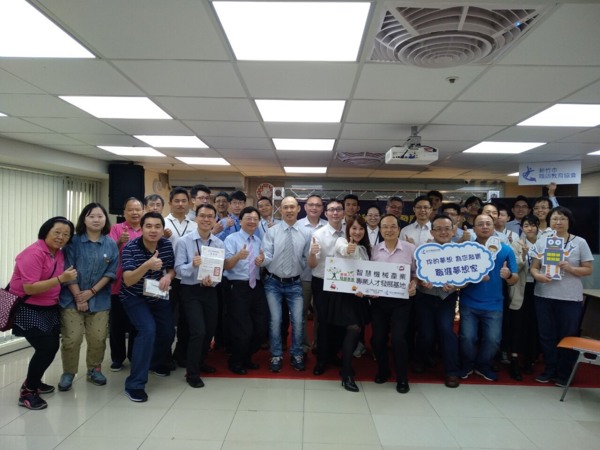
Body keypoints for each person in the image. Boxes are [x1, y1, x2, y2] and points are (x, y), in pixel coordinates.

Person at [9, 217, 77, 410]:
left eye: (66, 234)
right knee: (46, 348)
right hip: (28, 307)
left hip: (49, 307)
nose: (61, 237)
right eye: (57, 232)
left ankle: (34, 381)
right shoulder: (32, 253)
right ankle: (28, 392)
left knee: (50, 347)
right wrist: (61, 279)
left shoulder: (58, 253)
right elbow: (30, 288)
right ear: (46, 232)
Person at [58, 203, 119, 392]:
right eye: (91, 216)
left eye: (100, 216)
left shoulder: (110, 244)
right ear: (84, 219)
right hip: (71, 299)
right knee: (72, 338)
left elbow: (110, 273)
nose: (96, 220)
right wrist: (79, 297)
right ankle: (68, 372)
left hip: (99, 299)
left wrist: (91, 292)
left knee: (98, 338)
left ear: (105, 219)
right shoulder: (73, 242)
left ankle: (94, 370)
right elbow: (68, 269)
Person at [530, 206, 593, 386]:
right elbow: (534, 267)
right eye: (555, 219)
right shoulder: (542, 241)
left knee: (567, 336)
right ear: (549, 222)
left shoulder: (580, 242)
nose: (558, 222)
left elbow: (588, 269)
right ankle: (550, 369)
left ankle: (565, 373)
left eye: (563, 219)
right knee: (546, 335)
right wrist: (538, 276)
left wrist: (570, 268)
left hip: (569, 298)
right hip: (544, 295)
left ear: (569, 222)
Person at [120, 212, 176, 402]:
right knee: (148, 330)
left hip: (157, 294)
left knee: (168, 332)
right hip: (134, 296)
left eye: (157, 226)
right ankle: (134, 384)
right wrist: (147, 265)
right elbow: (128, 280)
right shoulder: (130, 247)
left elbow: (171, 268)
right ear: (142, 229)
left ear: (162, 229)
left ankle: (151, 362)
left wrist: (168, 276)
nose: (153, 230)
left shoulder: (166, 245)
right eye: (149, 226)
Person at [459, 213, 518, 382]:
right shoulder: (467, 249)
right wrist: (472, 277)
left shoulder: (505, 250)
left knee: (493, 340)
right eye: (480, 224)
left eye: (488, 223)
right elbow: (459, 277)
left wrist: (508, 275)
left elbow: (515, 279)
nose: (484, 227)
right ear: (474, 228)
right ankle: (467, 364)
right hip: (468, 302)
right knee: (467, 337)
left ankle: (482, 365)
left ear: (493, 227)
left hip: (494, 304)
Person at [175, 204, 223, 387]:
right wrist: (193, 265)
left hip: (209, 290)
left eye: (210, 216)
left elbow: (218, 272)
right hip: (190, 291)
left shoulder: (218, 243)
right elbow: (179, 270)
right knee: (198, 331)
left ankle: (201, 361)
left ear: (215, 220)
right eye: (202, 215)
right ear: (196, 218)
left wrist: (213, 281)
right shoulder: (184, 241)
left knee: (210, 330)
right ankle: (192, 373)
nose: (206, 219)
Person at [262, 196, 311, 372]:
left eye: (292, 207)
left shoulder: (306, 233)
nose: (289, 210)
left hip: (295, 283)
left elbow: (306, 257)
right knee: (275, 320)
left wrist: (298, 267)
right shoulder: (272, 231)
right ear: (280, 210)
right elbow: (267, 255)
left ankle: (297, 353)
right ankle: (276, 355)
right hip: (273, 283)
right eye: (285, 207)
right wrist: (261, 260)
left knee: (298, 321)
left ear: (298, 209)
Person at [370, 214, 417, 394]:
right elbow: (368, 275)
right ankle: (383, 370)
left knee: (398, 339)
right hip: (379, 301)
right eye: (385, 227)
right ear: (380, 229)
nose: (388, 230)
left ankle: (402, 377)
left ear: (398, 229)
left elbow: (417, 273)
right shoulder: (374, 250)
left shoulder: (410, 249)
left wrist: (414, 284)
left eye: (392, 226)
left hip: (402, 301)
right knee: (378, 338)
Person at [414, 215, 462, 388]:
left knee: (446, 330)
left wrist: (456, 284)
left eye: (447, 228)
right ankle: (420, 359)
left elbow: (467, 278)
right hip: (425, 296)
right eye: (438, 229)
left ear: (453, 231)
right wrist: (421, 281)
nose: (443, 232)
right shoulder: (422, 250)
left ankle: (451, 371)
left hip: (447, 297)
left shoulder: (460, 252)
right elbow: (414, 273)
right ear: (432, 232)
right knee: (426, 332)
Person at [223, 206, 269, 375]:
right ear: (240, 221)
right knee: (242, 328)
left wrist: (262, 261)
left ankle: (247, 355)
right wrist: (238, 256)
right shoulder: (231, 239)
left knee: (261, 326)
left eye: (255, 219)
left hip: (256, 286)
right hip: (237, 287)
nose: (252, 222)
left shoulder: (258, 241)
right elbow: (226, 265)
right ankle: (236, 360)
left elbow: (263, 263)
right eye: (248, 218)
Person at [332, 216, 371, 392]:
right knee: (353, 329)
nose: (357, 232)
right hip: (343, 295)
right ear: (348, 229)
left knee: (355, 331)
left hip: (359, 296)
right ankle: (347, 373)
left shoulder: (365, 248)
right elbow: (343, 249)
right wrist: (348, 249)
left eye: (361, 229)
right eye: (354, 228)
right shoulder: (341, 241)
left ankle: (344, 364)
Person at [309, 199, 345, 376]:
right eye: (332, 210)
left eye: (338, 209)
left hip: (343, 283)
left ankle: (333, 354)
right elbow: (312, 264)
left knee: (340, 322)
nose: (335, 213)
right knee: (323, 322)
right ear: (326, 213)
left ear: (343, 212)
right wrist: (312, 253)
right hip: (322, 283)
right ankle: (322, 359)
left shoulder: (349, 231)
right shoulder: (319, 234)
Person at [108, 197, 143, 371]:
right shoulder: (116, 229)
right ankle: (117, 358)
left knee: (137, 323)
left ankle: (134, 355)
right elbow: (107, 254)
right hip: (118, 284)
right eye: (130, 209)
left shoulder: (147, 228)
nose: (134, 213)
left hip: (140, 285)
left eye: (137, 209)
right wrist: (119, 242)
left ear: (143, 211)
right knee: (117, 325)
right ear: (124, 212)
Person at [164, 187, 197, 368]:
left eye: (184, 201)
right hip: (168, 277)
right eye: (176, 201)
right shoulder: (162, 223)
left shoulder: (194, 225)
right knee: (167, 319)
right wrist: (162, 237)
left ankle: (181, 354)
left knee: (186, 319)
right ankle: (165, 356)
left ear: (189, 203)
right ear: (170, 202)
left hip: (188, 278)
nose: (180, 204)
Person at [507, 214, 541, 378]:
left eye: (533, 225)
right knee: (517, 324)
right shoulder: (516, 244)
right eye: (526, 225)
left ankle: (530, 359)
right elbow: (514, 267)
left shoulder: (545, 243)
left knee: (534, 325)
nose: (530, 228)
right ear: (522, 228)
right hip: (521, 288)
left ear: (538, 226)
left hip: (539, 289)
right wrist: (523, 256)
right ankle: (514, 359)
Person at [297, 194, 326, 353]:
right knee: (301, 314)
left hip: (323, 278)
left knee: (320, 314)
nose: (314, 207)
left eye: (318, 205)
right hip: (304, 277)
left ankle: (318, 345)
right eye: (311, 204)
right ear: (305, 207)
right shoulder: (297, 225)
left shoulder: (328, 226)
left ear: (322, 209)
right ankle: (303, 346)